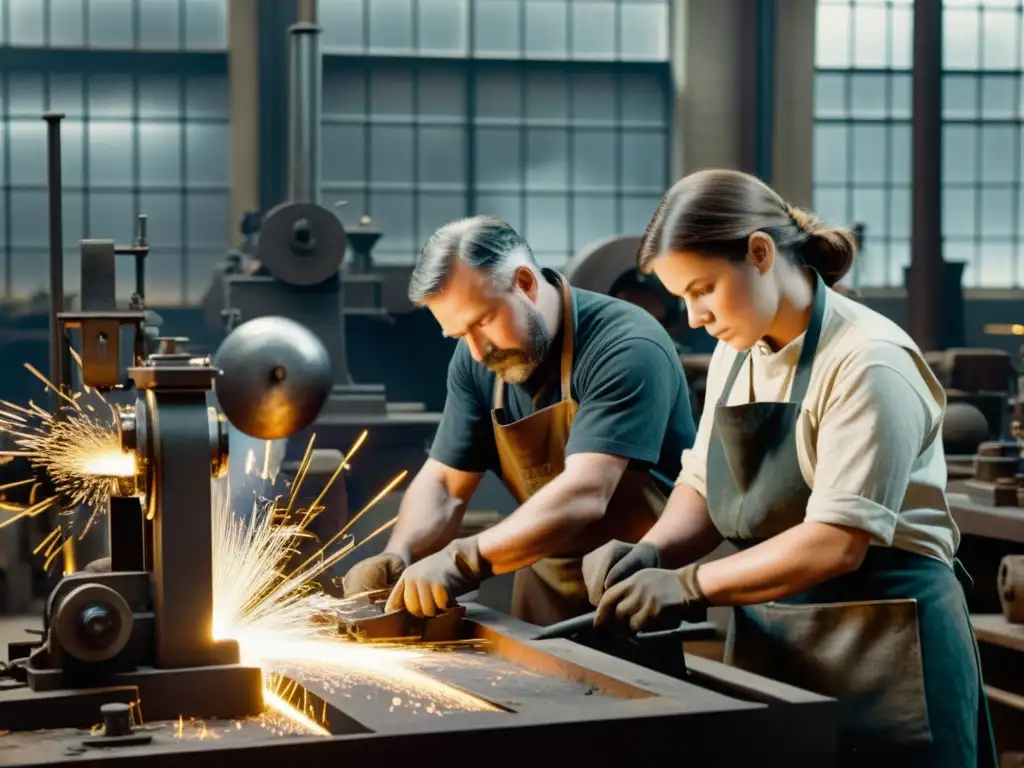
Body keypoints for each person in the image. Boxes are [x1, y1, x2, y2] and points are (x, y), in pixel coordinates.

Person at [582, 169, 997, 766]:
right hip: (777, 636)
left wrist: (688, 584)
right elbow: (704, 478)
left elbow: (836, 543)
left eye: (703, 289)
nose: (693, 316)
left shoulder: (867, 361)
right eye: (682, 297)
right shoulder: (737, 348)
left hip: (887, 646)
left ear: (759, 252)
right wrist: (653, 551)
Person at [341, 215, 697, 626]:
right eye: (459, 335)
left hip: (638, 587)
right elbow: (444, 484)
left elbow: (585, 492)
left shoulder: (626, 345)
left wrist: (463, 559)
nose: (477, 352)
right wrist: (399, 554)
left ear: (525, 283)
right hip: (541, 577)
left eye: (482, 322)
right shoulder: (477, 360)